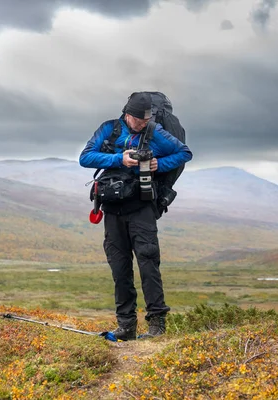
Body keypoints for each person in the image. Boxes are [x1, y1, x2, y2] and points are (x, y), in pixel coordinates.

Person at [79, 92, 192, 340]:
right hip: (111, 208)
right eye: (139, 120)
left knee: (148, 263)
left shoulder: (155, 133)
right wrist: (120, 159)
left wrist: (157, 165)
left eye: (147, 120)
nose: (142, 124)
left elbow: (184, 153)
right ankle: (126, 326)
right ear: (127, 114)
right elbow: (85, 158)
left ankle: (156, 326)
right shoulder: (109, 129)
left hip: (142, 206)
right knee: (119, 268)